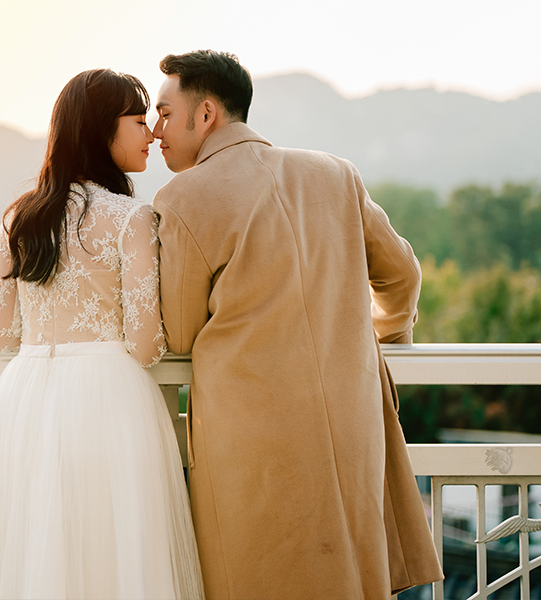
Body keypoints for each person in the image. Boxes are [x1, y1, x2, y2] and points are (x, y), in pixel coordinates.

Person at [150, 50, 443, 599]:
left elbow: (182, 335)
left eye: (166, 113)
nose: (155, 129)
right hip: (351, 428)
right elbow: (401, 275)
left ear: (206, 113)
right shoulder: (334, 173)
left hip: (252, 444)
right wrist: (382, 336)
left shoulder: (183, 199)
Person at [0, 69, 204, 600]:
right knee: (114, 552)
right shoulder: (133, 217)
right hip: (110, 401)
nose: (150, 133)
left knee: (35, 554)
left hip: (27, 399)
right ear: (102, 131)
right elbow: (147, 345)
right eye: (137, 120)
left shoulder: (20, 218)